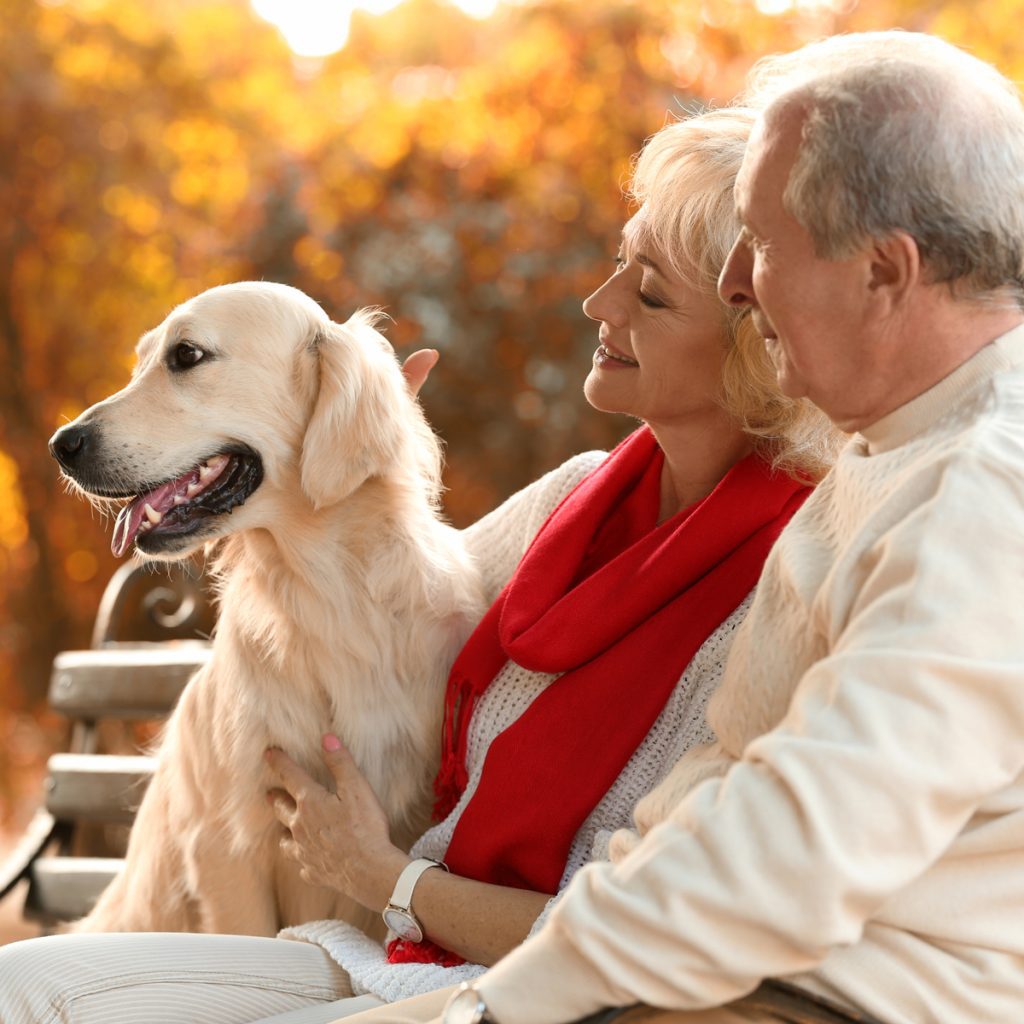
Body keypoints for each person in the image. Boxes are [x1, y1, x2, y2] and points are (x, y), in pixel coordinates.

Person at [0, 104, 838, 1023]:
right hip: (381, 947)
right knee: (21, 987)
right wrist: (350, 425)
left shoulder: (785, 587)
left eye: (649, 294)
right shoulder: (573, 499)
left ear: (753, 341)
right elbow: (392, 596)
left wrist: (390, 878)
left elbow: (653, 927)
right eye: (616, 265)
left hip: (509, 972)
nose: (597, 305)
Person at [341, 29, 1024, 1024]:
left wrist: (492, 1010)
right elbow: (707, 798)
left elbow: (791, 849)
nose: (741, 285)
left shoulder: (981, 499)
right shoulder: (889, 460)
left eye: (765, 245)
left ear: (883, 272)